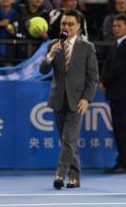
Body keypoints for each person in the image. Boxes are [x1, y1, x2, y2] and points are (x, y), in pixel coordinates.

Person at [40, 10, 99, 190]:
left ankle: (60, 174)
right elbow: (42, 70)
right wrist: (50, 55)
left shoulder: (87, 47)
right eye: (64, 24)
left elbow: (93, 77)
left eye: (70, 24)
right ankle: (75, 176)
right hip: (58, 99)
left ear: (78, 27)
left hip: (77, 100)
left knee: (69, 139)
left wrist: (87, 99)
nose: (66, 27)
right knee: (68, 141)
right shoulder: (53, 45)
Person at [100, 15, 126, 174]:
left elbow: (118, 68)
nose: (115, 28)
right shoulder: (117, 44)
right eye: (114, 26)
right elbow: (108, 65)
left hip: (123, 94)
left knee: (123, 129)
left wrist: (104, 82)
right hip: (116, 94)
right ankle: (122, 160)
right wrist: (103, 80)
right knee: (119, 129)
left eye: (119, 26)